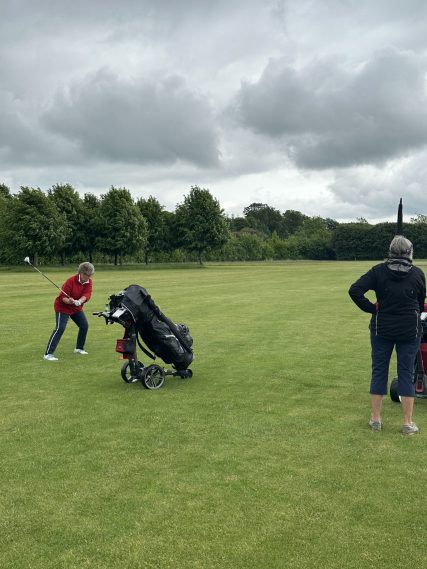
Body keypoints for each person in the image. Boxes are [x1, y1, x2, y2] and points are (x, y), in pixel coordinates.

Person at [349, 236, 426, 435]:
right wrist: (372, 308)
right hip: (409, 330)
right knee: (406, 373)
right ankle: (407, 423)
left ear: (390, 251)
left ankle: (376, 420)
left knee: (379, 371)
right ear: (410, 253)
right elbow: (420, 303)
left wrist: (372, 308)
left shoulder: (378, 271)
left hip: (381, 329)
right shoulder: (418, 274)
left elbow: (355, 290)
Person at [44, 262, 95, 361]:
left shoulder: (89, 282)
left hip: (76, 308)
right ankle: (48, 354)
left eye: (90, 275)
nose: (89, 277)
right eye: (87, 275)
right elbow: (63, 297)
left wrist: (79, 301)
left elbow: (87, 294)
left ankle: (79, 348)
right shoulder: (70, 281)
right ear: (81, 273)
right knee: (60, 328)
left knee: (84, 326)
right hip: (62, 307)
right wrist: (70, 301)